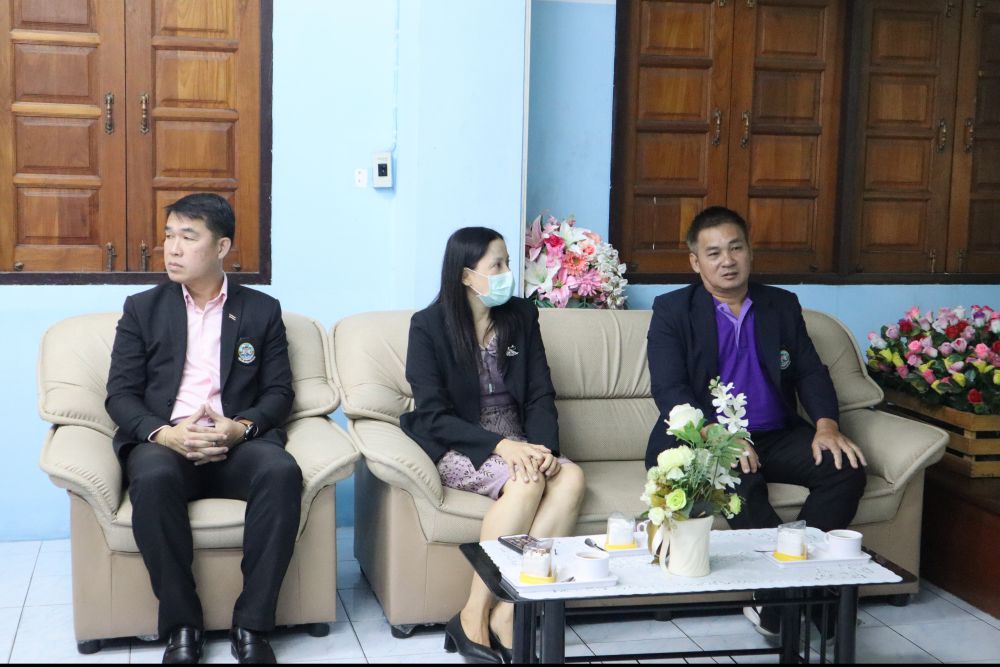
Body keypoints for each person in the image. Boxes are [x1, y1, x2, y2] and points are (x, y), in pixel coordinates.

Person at [644, 206, 867, 639]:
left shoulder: (780, 305)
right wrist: (720, 439)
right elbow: (670, 390)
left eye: (736, 248)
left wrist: (826, 425)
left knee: (845, 468)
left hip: (776, 434)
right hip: (706, 439)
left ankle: (792, 590)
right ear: (695, 262)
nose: (727, 261)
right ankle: (797, 602)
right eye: (713, 253)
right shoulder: (672, 310)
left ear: (750, 252)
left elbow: (810, 370)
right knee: (741, 488)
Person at [106, 193, 300, 664]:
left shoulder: (261, 310)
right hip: (169, 441)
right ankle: (182, 627)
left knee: (281, 471)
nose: (172, 249)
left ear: (221, 247)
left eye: (188, 237)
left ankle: (252, 626)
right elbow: (120, 395)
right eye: (168, 236)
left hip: (236, 442)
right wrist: (165, 434)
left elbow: (279, 392)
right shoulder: (142, 309)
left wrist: (241, 428)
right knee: (152, 477)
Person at [401, 227, 586, 663]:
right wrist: (502, 446)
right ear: (467, 276)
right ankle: (472, 613)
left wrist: (544, 449)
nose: (507, 273)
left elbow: (539, 393)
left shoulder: (520, 316)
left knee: (571, 478)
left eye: (507, 262)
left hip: (519, 436)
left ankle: (508, 612)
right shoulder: (427, 327)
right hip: (463, 440)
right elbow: (433, 415)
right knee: (526, 483)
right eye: (496, 265)